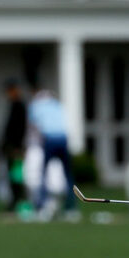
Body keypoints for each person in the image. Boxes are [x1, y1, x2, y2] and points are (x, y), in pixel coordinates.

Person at [28, 88, 77, 220]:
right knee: (67, 175)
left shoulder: (35, 106)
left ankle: (43, 207)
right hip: (63, 138)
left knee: (43, 174)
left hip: (49, 139)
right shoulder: (57, 105)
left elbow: (34, 126)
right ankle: (71, 209)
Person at [0, 78, 28, 212]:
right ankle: (14, 202)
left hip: (16, 149)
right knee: (12, 177)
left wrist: (18, 147)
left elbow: (19, 129)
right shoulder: (13, 104)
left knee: (17, 178)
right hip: (10, 147)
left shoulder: (19, 105)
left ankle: (18, 203)